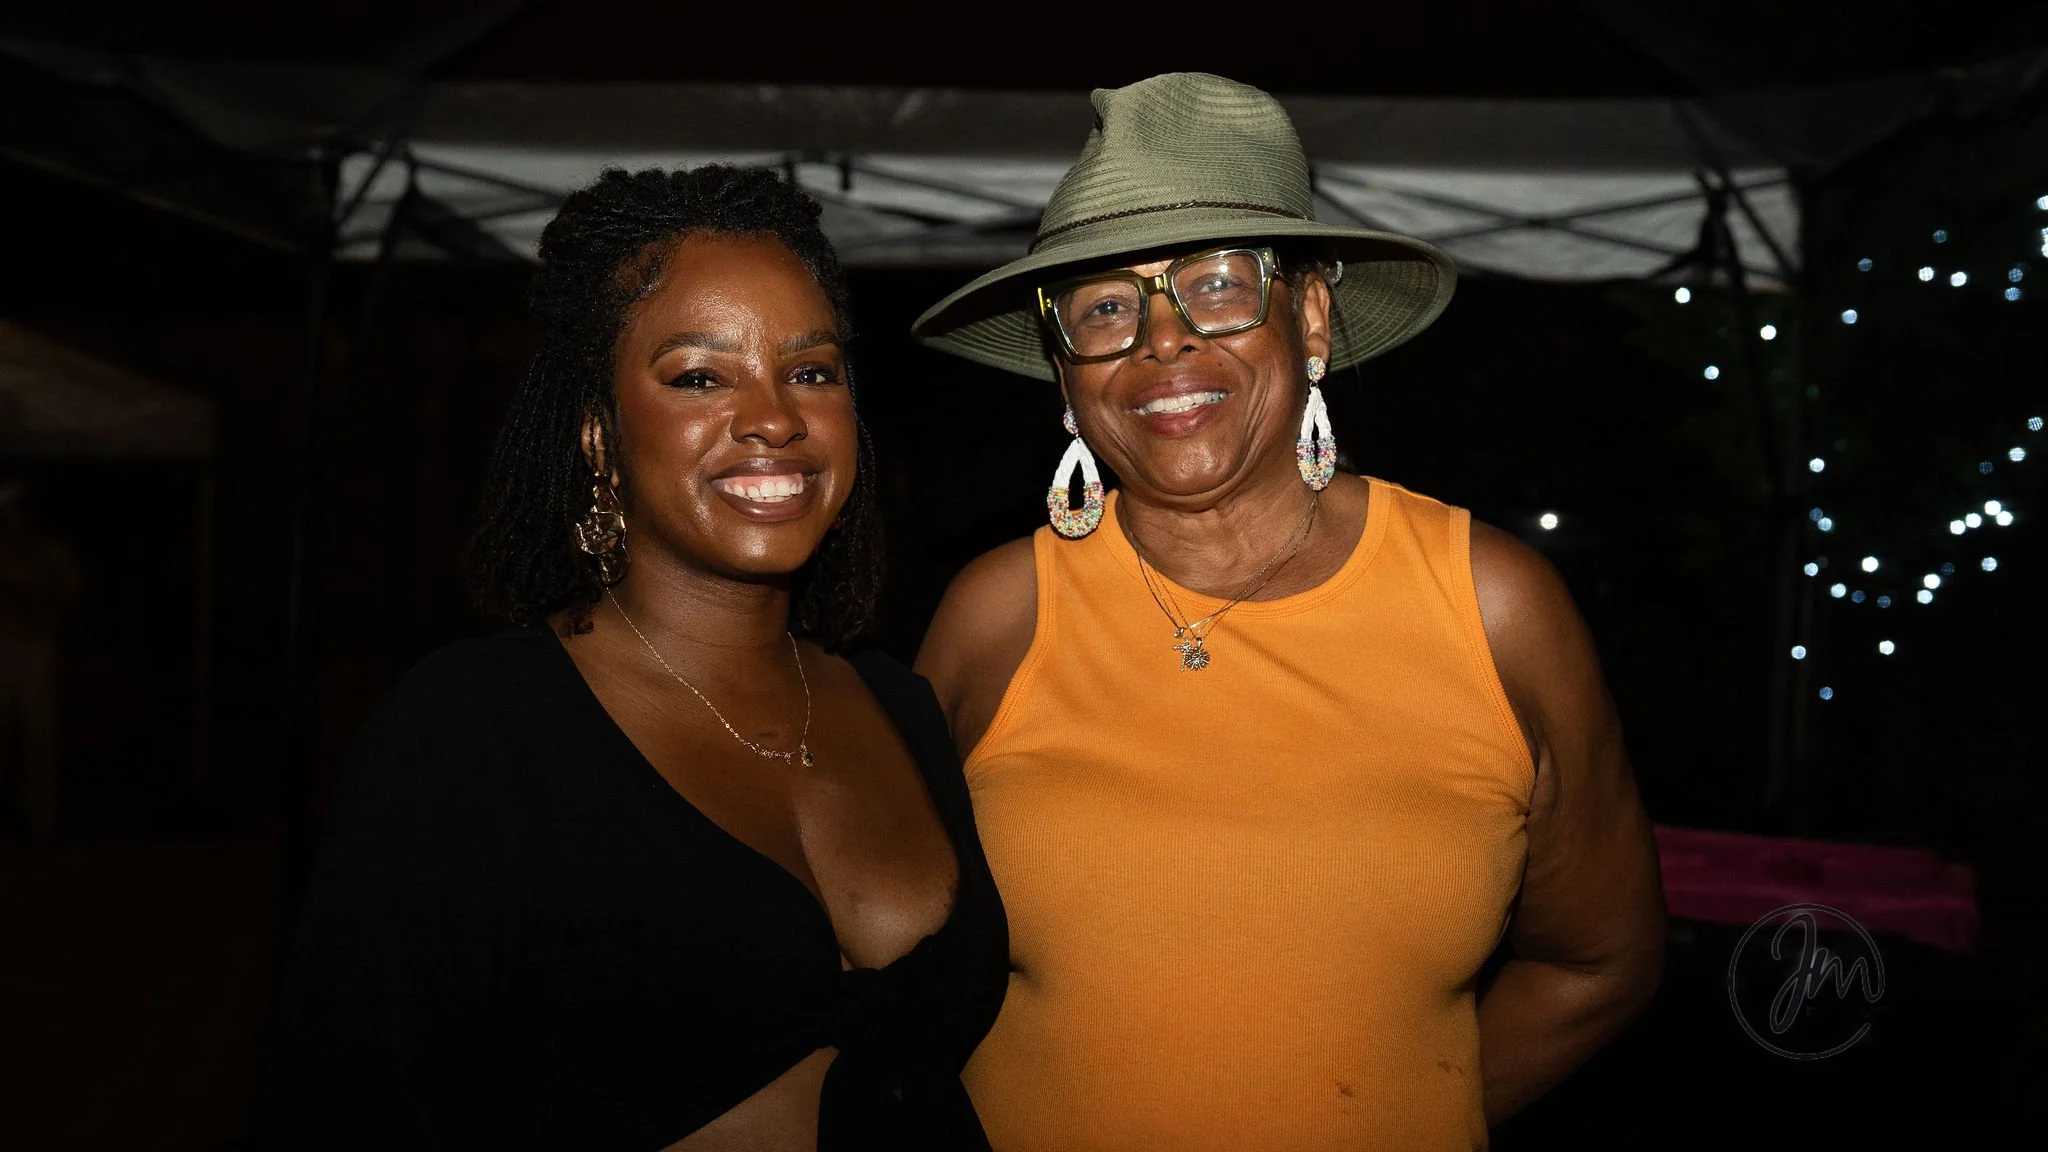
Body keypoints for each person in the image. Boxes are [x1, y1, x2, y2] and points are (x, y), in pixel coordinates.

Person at [912, 74, 1664, 1150]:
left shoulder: (1491, 606)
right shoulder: (996, 615)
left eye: (1216, 285)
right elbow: (878, 962)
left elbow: (1599, 961)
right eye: (1106, 307)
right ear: (1062, 369)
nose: (1161, 341)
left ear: (1308, 315)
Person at [254, 166, 1007, 1150]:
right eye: (699, 376)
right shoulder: (475, 730)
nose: (773, 417)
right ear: (599, 436)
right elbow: (336, 1106)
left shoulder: (900, 706)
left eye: (811, 371)